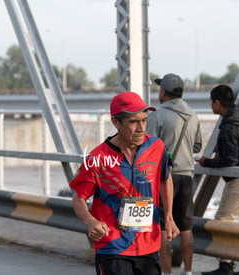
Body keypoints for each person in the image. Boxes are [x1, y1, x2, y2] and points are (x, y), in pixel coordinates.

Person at [69, 91, 180, 275]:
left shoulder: (157, 147)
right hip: (113, 245)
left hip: (149, 243)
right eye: (133, 122)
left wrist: (168, 216)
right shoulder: (98, 158)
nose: (141, 128)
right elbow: (78, 198)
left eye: (144, 120)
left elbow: (165, 179)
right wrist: (89, 221)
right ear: (116, 122)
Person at [196, 84, 239, 275]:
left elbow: (230, 160)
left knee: (223, 220)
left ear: (217, 103)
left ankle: (225, 266)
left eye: (211, 102)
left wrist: (207, 162)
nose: (211, 105)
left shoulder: (228, 128)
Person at [147, 73, 202, 275]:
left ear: (164, 92)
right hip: (187, 176)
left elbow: (148, 146)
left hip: (164, 177)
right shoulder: (193, 116)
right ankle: (188, 272)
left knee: (164, 226)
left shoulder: (157, 115)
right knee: (186, 226)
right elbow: (197, 146)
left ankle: (167, 272)